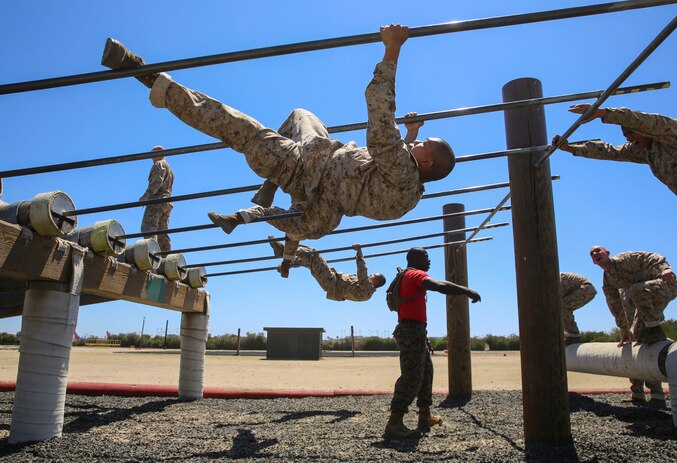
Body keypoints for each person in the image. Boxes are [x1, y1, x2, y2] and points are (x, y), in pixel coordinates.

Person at [101, 24, 456, 277]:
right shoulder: (408, 189)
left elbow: (379, 115)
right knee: (301, 114)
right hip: (319, 160)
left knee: (233, 125)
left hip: (303, 169)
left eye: (423, 145)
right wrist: (411, 136)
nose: (417, 144)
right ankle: (269, 188)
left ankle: (147, 76)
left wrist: (392, 48)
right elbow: (394, 162)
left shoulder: (402, 171)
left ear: (425, 162)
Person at [552, 105, 677, 233]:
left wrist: (602, 113)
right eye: (625, 135)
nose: (628, 138)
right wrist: (570, 148)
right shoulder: (646, 151)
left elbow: (645, 121)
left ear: (643, 130)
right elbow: (610, 151)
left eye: (631, 132)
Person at [385, 247, 481, 439]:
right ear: (416, 259)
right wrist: (466, 290)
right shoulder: (415, 274)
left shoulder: (407, 275)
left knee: (426, 373)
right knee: (411, 376)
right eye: (426, 257)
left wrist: (424, 337)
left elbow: (412, 309)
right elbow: (438, 285)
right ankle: (394, 423)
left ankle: (424, 416)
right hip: (411, 331)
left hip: (415, 331)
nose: (429, 260)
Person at [589, 245, 677, 407]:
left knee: (641, 329)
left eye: (598, 251)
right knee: (633, 337)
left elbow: (653, 256)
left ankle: (654, 331)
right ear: (594, 262)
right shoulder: (608, 280)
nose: (595, 253)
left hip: (664, 285)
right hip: (640, 296)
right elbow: (615, 307)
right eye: (592, 254)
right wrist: (623, 331)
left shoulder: (625, 259)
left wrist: (665, 269)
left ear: (607, 253)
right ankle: (638, 393)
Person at [269, 238, 385, 302]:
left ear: (377, 281)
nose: (371, 275)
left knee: (313, 253)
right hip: (331, 281)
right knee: (308, 260)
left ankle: (284, 251)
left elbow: (362, 271)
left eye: (374, 275)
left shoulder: (367, 289)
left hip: (331, 283)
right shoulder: (366, 287)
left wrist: (359, 252)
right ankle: (285, 267)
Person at [139, 146, 174, 252]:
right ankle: (166, 257)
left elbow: (157, 181)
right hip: (166, 202)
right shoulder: (169, 168)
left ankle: (151, 253)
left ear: (161, 153)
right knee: (162, 231)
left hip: (157, 201)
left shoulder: (159, 164)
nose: (151, 156)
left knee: (149, 228)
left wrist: (146, 195)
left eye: (153, 153)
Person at [560, 272, 597, 345]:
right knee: (562, 306)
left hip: (586, 288)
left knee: (562, 306)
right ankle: (572, 334)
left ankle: (574, 336)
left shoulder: (552, 283)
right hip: (584, 288)